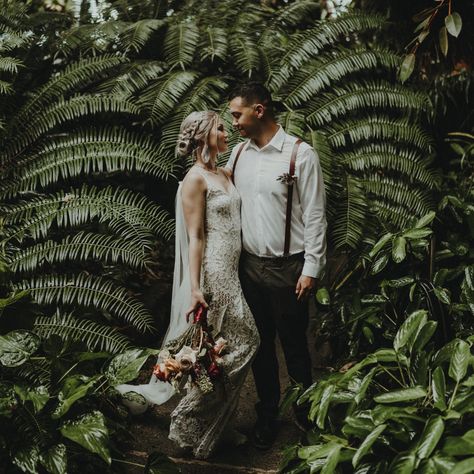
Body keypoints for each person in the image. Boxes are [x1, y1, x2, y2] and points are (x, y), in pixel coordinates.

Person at [116, 111, 259, 459]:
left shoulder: (223, 173)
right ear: (202, 137)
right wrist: (195, 287)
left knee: (221, 350)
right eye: (221, 128)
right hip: (215, 272)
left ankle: (215, 429)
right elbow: (195, 237)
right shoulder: (195, 179)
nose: (227, 133)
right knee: (247, 340)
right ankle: (188, 415)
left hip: (233, 268)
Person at [226, 83, 327, 450]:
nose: (233, 121)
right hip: (248, 268)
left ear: (259, 110)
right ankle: (267, 413)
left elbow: (315, 215)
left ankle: (305, 412)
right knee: (260, 346)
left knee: (295, 345)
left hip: (289, 267)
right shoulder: (238, 154)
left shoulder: (300, 155)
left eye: (237, 114)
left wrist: (311, 268)